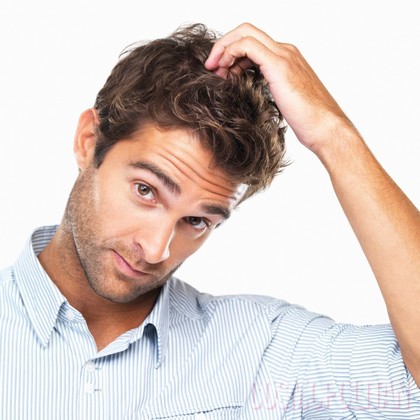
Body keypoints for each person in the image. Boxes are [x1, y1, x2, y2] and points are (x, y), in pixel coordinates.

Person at [0, 21, 419, 419]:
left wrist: (334, 135)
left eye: (197, 221)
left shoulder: (258, 352)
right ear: (89, 142)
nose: (156, 249)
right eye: (146, 190)